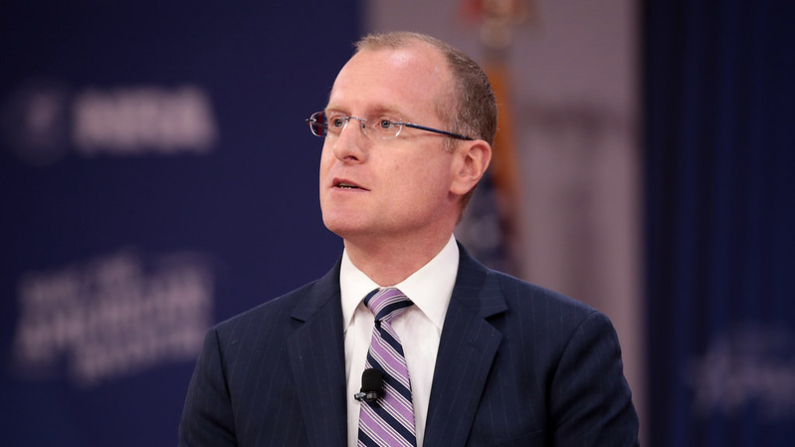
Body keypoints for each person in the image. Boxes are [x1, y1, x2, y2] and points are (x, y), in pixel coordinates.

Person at [179, 31, 639, 447]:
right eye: (337, 121)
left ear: (466, 166)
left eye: (385, 124)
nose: (345, 147)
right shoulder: (236, 359)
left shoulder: (564, 347)